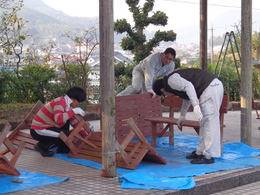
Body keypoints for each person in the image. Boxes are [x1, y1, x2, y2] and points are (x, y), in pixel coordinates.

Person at [152, 68, 224, 164]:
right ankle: (200, 152)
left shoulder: (171, 80)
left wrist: (195, 105)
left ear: (162, 90)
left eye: (164, 95)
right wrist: (182, 115)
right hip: (211, 87)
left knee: (209, 122)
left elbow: (189, 86)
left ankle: (208, 156)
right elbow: (187, 97)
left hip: (210, 87)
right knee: (204, 122)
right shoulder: (173, 84)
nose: (167, 96)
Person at [30, 86, 87, 157]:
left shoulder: (69, 106)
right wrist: (74, 111)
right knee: (66, 136)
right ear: (74, 99)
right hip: (39, 129)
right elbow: (58, 119)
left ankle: (62, 148)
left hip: (49, 127)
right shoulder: (60, 101)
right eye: (80, 101)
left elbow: (74, 122)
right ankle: (41, 146)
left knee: (68, 130)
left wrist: (85, 135)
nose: (79, 104)